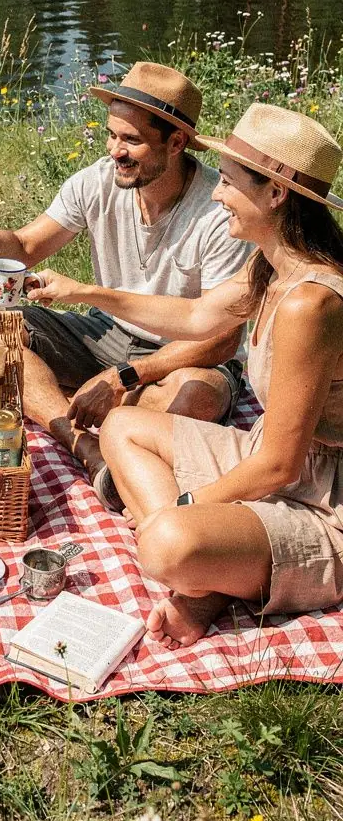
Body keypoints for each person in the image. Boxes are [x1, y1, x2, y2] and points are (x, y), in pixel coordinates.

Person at [29, 103, 343, 647]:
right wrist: (83, 292)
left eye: (230, 183)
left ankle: (204, 572)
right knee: (123, 428)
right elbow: (196, 317)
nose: (218, 195)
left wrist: (188, 507)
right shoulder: (271, 265)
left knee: (165, 543)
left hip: (325, 497)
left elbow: (280, 464)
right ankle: (213, 571)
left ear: (276, 194)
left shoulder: (310, 304)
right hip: (278, 464)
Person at [0, 63, 249, 504]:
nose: (115, 151)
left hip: (182, 355)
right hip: (104, 335)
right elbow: (23, 247)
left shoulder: (219, 213)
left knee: (197, 397)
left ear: (176, 142)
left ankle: (54, 396)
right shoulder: (98, 181)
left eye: (131, 140)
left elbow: (220, 340)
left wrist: (121, 378)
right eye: (112, 134)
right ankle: (83, 442)